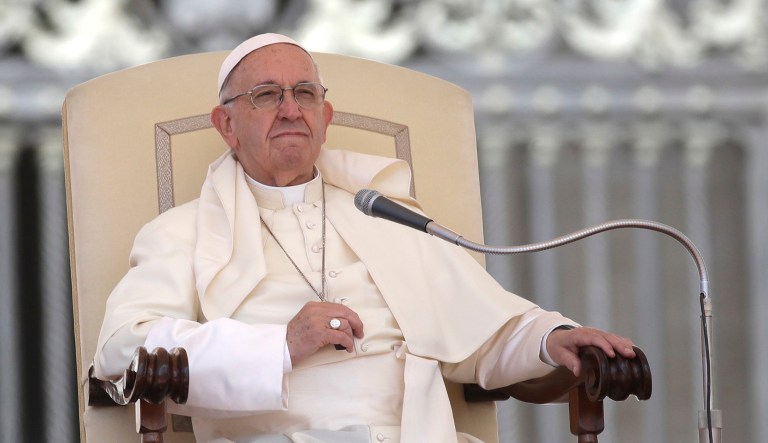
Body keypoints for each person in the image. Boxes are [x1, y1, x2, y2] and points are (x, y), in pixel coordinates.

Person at [94, 33, 636, 443]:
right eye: (266, 95)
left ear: (324, 116)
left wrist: (551, 338)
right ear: (227, 125)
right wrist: (279, 346)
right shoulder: (180, 232)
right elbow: (122, 350)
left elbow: (485, 331)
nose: (290, 109)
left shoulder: (383, 213)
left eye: (303, 93)